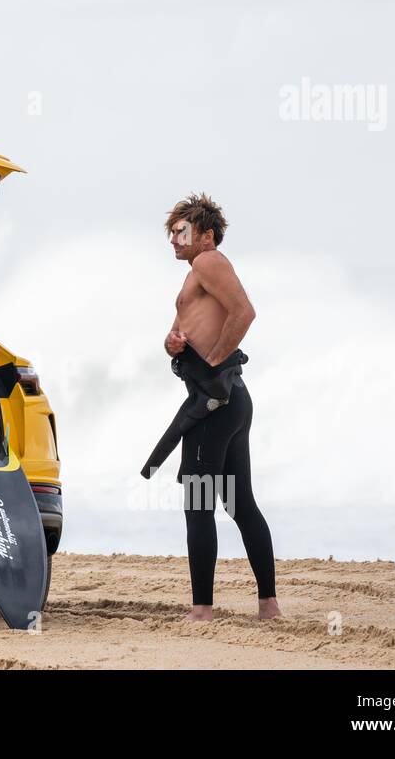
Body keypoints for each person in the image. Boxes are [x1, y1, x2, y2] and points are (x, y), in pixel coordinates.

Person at [162, 193, 279, 622]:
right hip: (231, 402)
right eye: (171, 232)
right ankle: (268, 606)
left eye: (181, 231)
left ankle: (202, 611)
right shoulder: (196, 274)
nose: (173, 239)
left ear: (206, 236)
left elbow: (244, 312)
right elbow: (181, 332)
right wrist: (172, 343)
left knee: (198, 502)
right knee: (240, 502)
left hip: (215, 403)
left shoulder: (208, 262)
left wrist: (214, 363)